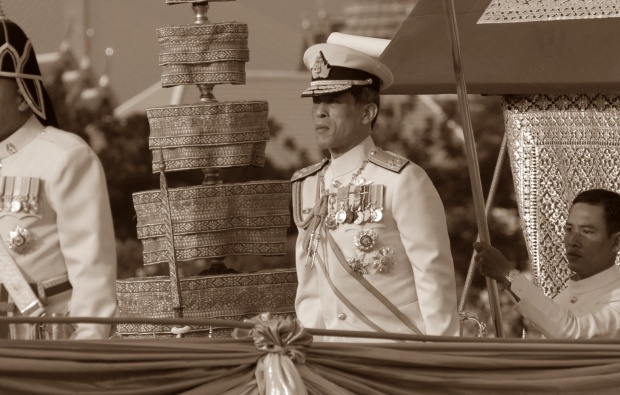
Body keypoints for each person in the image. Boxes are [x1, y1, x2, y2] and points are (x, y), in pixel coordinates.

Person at [291, 38, 460, 342]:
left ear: (367, 113)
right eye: (317, 101)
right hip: (331, 360)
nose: (320, 112)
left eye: (334, 101)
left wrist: (442, 354)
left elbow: (433, 276)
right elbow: (311, 288)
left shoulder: (403, 179)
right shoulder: (307, 185)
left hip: (393, 354)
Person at [0, 16, 117, 339]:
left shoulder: (65, 157)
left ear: (23, 93)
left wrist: (84, 358)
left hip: (44, 344)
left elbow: (92, 273)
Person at [474, 188, 620, 339]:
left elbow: (572, 332)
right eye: (569, 229)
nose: (573, 241)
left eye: (587, 232)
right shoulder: (562, 298)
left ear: (616, 242)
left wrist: (508, 276)